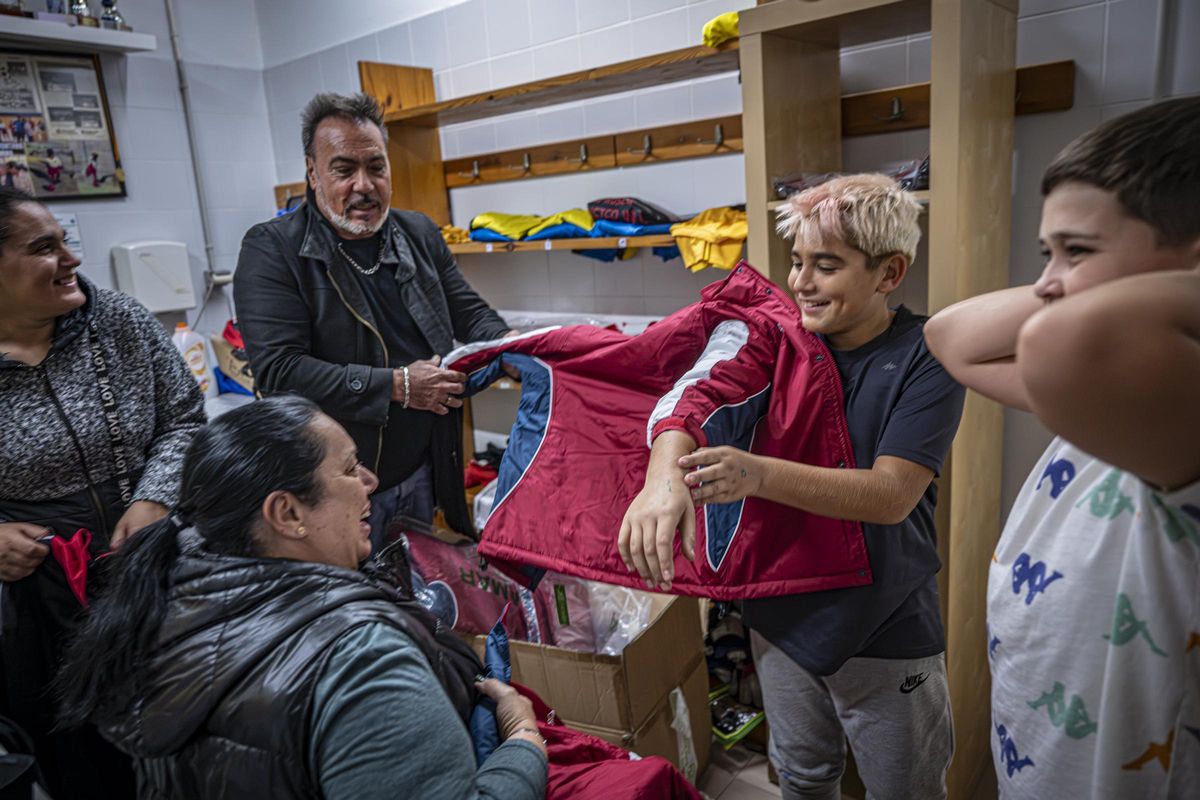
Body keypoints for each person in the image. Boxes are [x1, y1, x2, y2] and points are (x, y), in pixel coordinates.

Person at [619, 174, 966, 799]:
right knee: (804, 779)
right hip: (783, 614)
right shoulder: (779, 343)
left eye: (826, 266)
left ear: (890, 274)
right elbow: (697, 398)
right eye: (798, 262)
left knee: (906, 790)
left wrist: (755, 474)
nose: (802, 282)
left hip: (885, 625)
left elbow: (890, 495)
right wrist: (661, 476)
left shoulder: (927, 355)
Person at [56, 396, 549, 799]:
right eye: (351, 468)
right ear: (288, 513)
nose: (370, 483)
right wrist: (523, 741)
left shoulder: (162, 593)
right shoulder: (363, 660)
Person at [924, 97, 1200, 798]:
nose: (1046, 283)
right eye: (1048, 252)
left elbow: (1059, 338)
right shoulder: (1120, 401)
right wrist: (1077, 274)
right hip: (1043, 750)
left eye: (1075, 251)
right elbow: (953, 336)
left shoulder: (1179, 408)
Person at [234, 92, 514, 550]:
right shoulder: (273, 250)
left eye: (376, 167)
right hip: (336, 484)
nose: (364, 185)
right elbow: (279, 371)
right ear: (312, 172)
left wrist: (515, 346)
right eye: (344, 170)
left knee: (417, 597)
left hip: (422, 467)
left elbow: (467, 310)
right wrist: (398, 385)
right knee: (360, 604)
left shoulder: (418, 233)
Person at [0, 187, 206, 797]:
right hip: (37, 593)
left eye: (66, 241)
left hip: (152, 559)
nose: (70, 260)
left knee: (182, 718)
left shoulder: (116, 319)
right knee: (81, 750)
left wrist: (155, 497)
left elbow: (184, 418)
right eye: (44, 248)